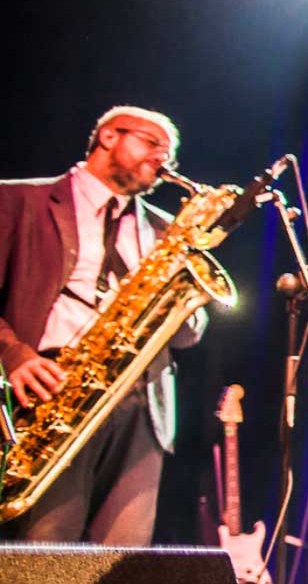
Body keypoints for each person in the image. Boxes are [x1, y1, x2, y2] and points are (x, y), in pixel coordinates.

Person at [0, 106, 206, 543]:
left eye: (169, 153)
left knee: (123, 561)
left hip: (142, 402)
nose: (163, 159)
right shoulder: (18, 200)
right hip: (52, 390)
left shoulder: (165, 229)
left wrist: (186, 300)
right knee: (46, 551)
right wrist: (14, 355)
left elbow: (189, 333)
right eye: (152, 143)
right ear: (109, 137)